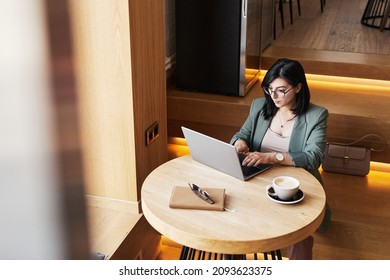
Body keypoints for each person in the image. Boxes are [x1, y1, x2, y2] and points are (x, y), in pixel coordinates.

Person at [230, 58, 331, 260]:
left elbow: (313, 157)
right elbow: (241, 134)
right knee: (230, 217)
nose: (273, 96)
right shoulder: (260, 106)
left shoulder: (316, 116)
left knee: (298, 232)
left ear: (298, 87)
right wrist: (239, 144)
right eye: (269, 89)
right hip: (257, 178)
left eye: (281, 90)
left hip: (295, 184)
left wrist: (271, 157)